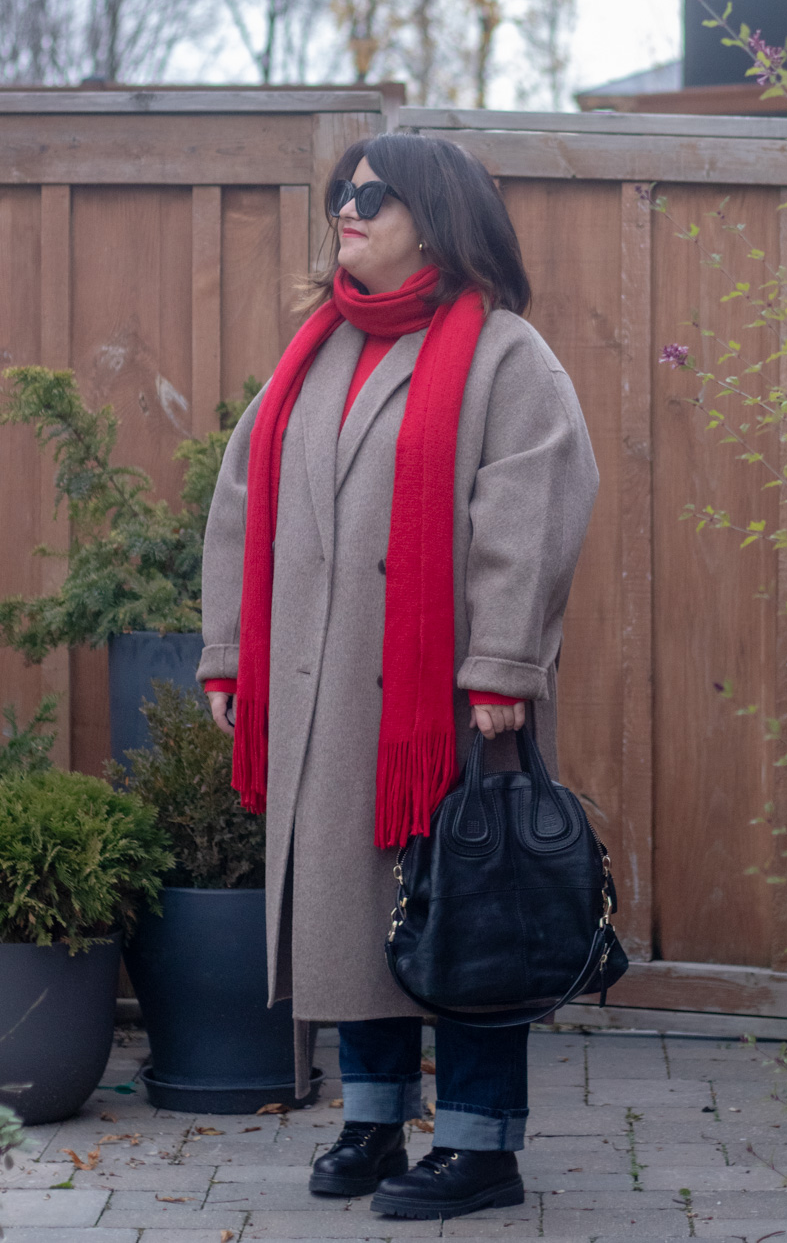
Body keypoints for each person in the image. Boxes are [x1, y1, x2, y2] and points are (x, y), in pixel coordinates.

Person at [197, 132, 598, 1222]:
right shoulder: (314, 353)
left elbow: (534, 511)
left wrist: (503, 665)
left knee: (468, 913)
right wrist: (230, 652)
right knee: (352, 913)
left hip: (453, 703)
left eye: (376, 193)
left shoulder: (507, 355)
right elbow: (242, 504)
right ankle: (371, 1120)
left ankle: (479, 1145)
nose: (349, 206)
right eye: (343, 191)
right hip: (329, 698)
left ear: (441, 216)